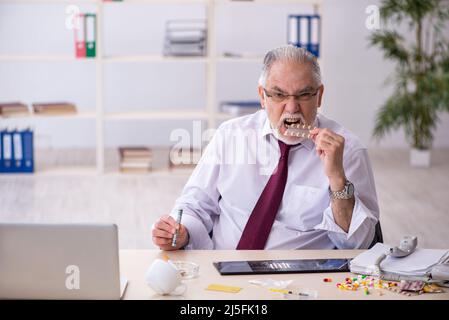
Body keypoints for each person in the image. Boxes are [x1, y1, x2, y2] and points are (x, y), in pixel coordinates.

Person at [152, 45, 379, 250]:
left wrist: (337, 178)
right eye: (279, 95)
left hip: (302, 280)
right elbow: (194, 205)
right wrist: (180, 233)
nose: (291, 108)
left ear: (318, 96)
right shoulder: (231, 135)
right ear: (263, 96)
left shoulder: (348, 151)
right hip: (222, 272)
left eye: (303, 95)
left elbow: (358, 244)